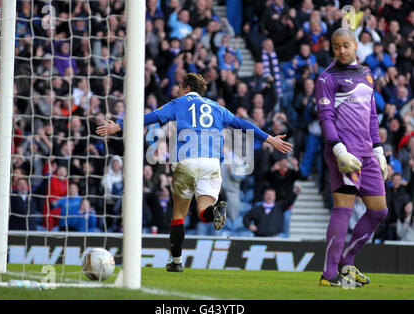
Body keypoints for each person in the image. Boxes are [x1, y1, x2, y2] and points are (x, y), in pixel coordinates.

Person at [96, 73, 292, 272]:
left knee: (179, 213)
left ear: (188, 88)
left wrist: (119, 126)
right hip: (212, 163)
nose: (177, 90)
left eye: (180, 87)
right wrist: (270, 139)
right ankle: (215, 210)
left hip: (187, 160)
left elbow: (150, 117)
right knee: (204, 212)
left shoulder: (178, 103)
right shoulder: (217, 107)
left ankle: (177, 262)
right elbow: (244, 124)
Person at [316, 28, 388, 288]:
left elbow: (371, 115)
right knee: (343, 209)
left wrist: (379, 150)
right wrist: (338, 150)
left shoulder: (367, 74)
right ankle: (329, 274)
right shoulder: (327, 78)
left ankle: (348, 263)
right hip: (344, 153)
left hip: (367, 153)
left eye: (346, 45)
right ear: (332, 48)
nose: (342, 51)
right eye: (337, 47)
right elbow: (326, 119)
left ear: (356, 45)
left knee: (379, 210)